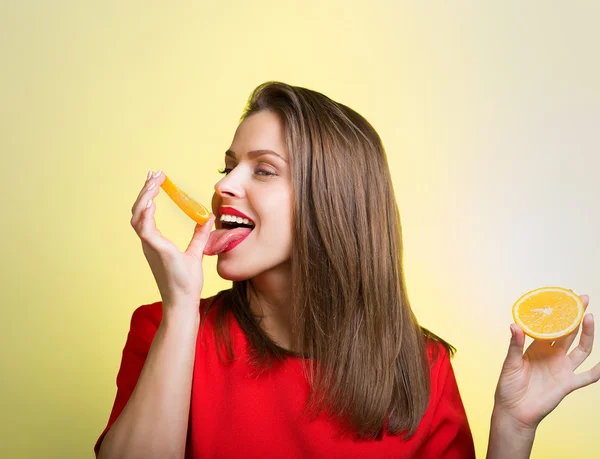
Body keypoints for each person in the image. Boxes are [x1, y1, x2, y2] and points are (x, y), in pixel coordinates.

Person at [95, 82, 600, 459]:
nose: (225, 186)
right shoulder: (166, 330)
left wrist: (512, 428)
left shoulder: (420, 367)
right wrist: (181, 308)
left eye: (263, 169)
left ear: (332, 202)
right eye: (229, 166)